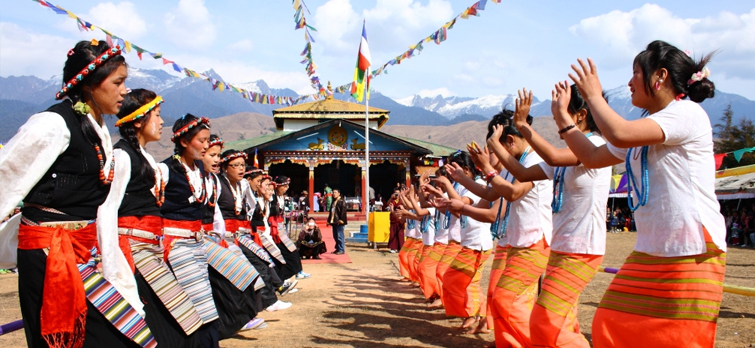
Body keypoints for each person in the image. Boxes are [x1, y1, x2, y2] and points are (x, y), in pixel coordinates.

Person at [559, 40, 726, 347]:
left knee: (677, 339)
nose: (629, 82)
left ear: (659, 76)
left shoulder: (686, 113)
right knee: (610, 323)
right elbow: (593, 158)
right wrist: (564, 122)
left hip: (691, 246)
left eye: (635, 73)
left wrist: (594, 96)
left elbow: (619, 133)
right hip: (652, 249)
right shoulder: (645, 126)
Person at [0, 39, 160, 348]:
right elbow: (5, 179)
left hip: (82, 251)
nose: (124, 91)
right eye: (118, 82)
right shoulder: (53, 125)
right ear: (89, 84)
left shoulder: (97, 128)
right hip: (49, 255)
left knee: (125, 336)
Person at [489, 86, 611, 347]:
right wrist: (491, 159)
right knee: (559, 320)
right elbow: (522, 173)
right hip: (562, 246)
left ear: (579, 115)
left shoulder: (595, 145)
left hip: (582, 247)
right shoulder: (570, 153)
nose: (555, 119)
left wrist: (522, 125)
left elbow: (552, 157)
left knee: (546, 319)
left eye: (560, 113)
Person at [105, 89, 220, 347]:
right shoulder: (124, 156)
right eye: (156, 115)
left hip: (154, 248)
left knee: (184, 321)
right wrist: (112, 263)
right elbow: (107, 210)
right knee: (172, 324)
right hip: (133, 252)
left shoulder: (146, 158)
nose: (161, 122)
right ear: (138, 121)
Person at [440, 151, 499, 334]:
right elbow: (458, 211)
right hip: (470, 241)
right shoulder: (462, 186)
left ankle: (475, 314)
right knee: (464, 281)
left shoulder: (479, 184)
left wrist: (448, 185)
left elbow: (461, 204)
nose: (450, 172)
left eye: (453, 168)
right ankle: (478, 317)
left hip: (477, 242)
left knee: (455, 279)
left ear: (465, 169)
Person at [270, 176, 311, 280]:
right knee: (282, 255)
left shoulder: (282, 198)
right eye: (284, 186)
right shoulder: (271, 198)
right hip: (273, 231)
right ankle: (283, 279)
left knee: (292, 250)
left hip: (280, 229)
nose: (286, 188)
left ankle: (298, 272)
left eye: (287, 186)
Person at [328, 189, 347, 254]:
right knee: (335, 236)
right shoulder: (333, 202)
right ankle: (338, 248)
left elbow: (343, 211)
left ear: (339, 193)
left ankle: (341, 249)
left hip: (339, 221)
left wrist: (341, 219)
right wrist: (328, 220)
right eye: (333, 192)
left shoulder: (342, 201)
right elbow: (331, 212)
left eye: (335, 192)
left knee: (339, 236)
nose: (334, 193)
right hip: (334, 221)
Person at [387, 187, 406, 253]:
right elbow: (387, 204)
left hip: (400, 218)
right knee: (393, 233)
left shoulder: (402, 200)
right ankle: (393, 247)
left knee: (400, 234)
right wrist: (391, 198)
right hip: (393, 218)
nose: (397, 195)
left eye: (398, 193)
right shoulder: (393, 199)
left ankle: (400, 247)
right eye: (395, 193)